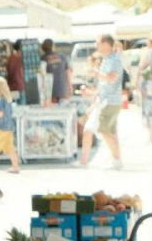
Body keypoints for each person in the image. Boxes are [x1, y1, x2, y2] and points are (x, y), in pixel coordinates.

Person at [80, 34, 124, 169]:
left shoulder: (113, 60)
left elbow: (112, 78)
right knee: (105, 131)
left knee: (105, 131)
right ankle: (114, 161)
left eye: (98, 43)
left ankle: (117, 161)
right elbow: (106, 83)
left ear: (106, 44)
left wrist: (96, 73)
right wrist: (92, 93)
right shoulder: (108, 59)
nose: (96, 45)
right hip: (105, 100)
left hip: (109, 101)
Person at [42, 39, 70, 105]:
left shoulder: (43, 59)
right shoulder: (62, 56)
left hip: (50, 91)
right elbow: (68, 72)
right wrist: (70, 86)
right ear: (52, 46)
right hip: (63, 89)